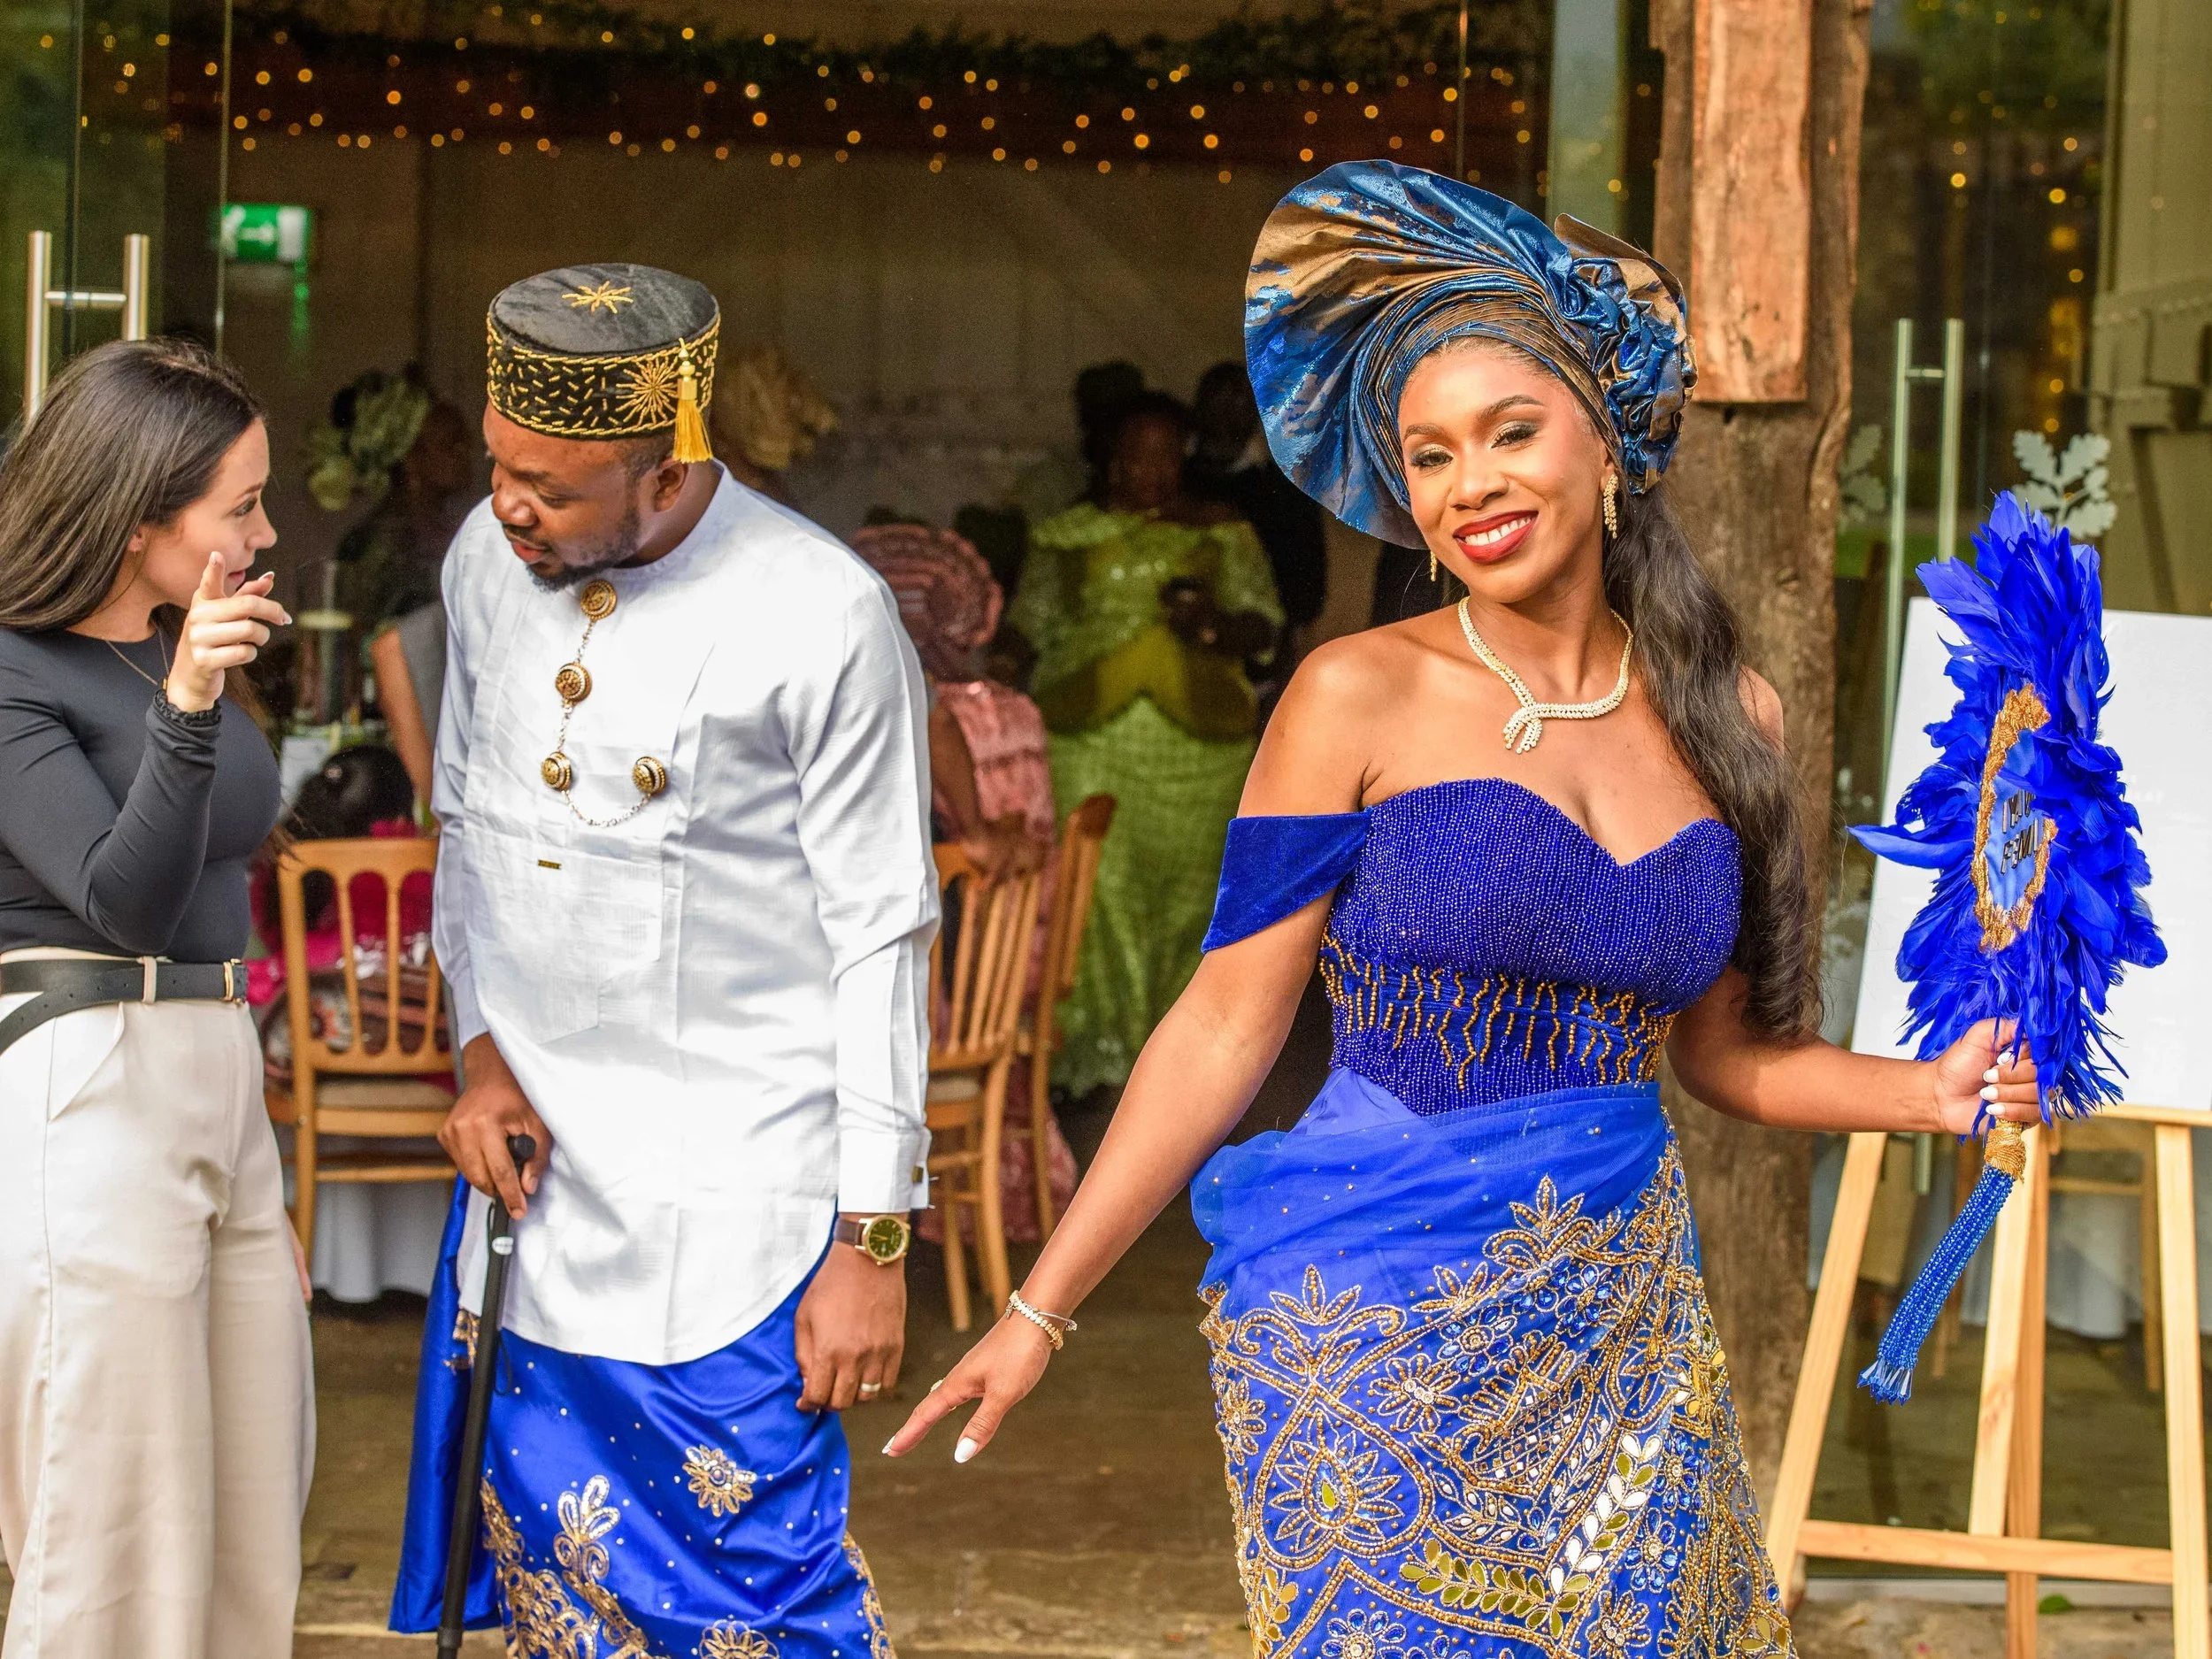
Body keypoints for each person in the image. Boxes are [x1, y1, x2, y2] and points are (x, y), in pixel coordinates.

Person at [888, 164, 2045, 1656]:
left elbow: (1729, 1055)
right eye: (1430, 459)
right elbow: (1226, 1025)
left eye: (1511, 433)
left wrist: (1931, 1090)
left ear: (1611, 443)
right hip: (1376, 1319)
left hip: (1626, 1324)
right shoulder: (1352, 694)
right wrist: (1036, 1313)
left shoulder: (1730, 711)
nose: (1471, 485)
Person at [390, 264, 924, 1659]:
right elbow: (469, 830)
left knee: (758, 1608)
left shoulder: (824, 613)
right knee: (558, 1602)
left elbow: (882, 932)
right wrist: (477, 1047)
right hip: (542, 1193)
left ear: (671, 464)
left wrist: (875, 1233)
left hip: (739, 1210)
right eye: (502, 469)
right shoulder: (483, 560)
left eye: (552, 489)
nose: (509, 506)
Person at [0, 338, 311, 1658]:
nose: (266, 530)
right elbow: (117, 898)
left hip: (212, 1073)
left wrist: (258, 1148)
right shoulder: (16, 667)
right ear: (139, 522)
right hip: (87, 1075)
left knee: (252, 1503)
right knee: (118, 1528)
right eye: (239, 505)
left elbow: (216, 871)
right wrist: (192, 700)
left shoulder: (181, 644)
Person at [1007, 392, 1282, 1096]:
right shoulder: (1064, 535)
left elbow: (1267, 627)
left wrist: (1214, 621)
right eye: (1135, 454)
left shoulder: (1225, 533)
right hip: (1089, 736)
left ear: (1183, 458)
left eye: (1165, 454)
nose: (1150, 469)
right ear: (1111, 459)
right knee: (1098, 894)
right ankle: (1098, 1056)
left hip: (1200, 745)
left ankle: (1177, 1062)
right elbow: (1026, 627)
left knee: (1190, 895)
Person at [850, 521, 1077, 1245]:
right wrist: (978, 829)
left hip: (899, 1029)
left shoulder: (862, 657)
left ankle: (870, 1244)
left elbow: (937, 719)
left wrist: (970, 833)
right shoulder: (975, 711)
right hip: (943, 1025)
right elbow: (939, 720)